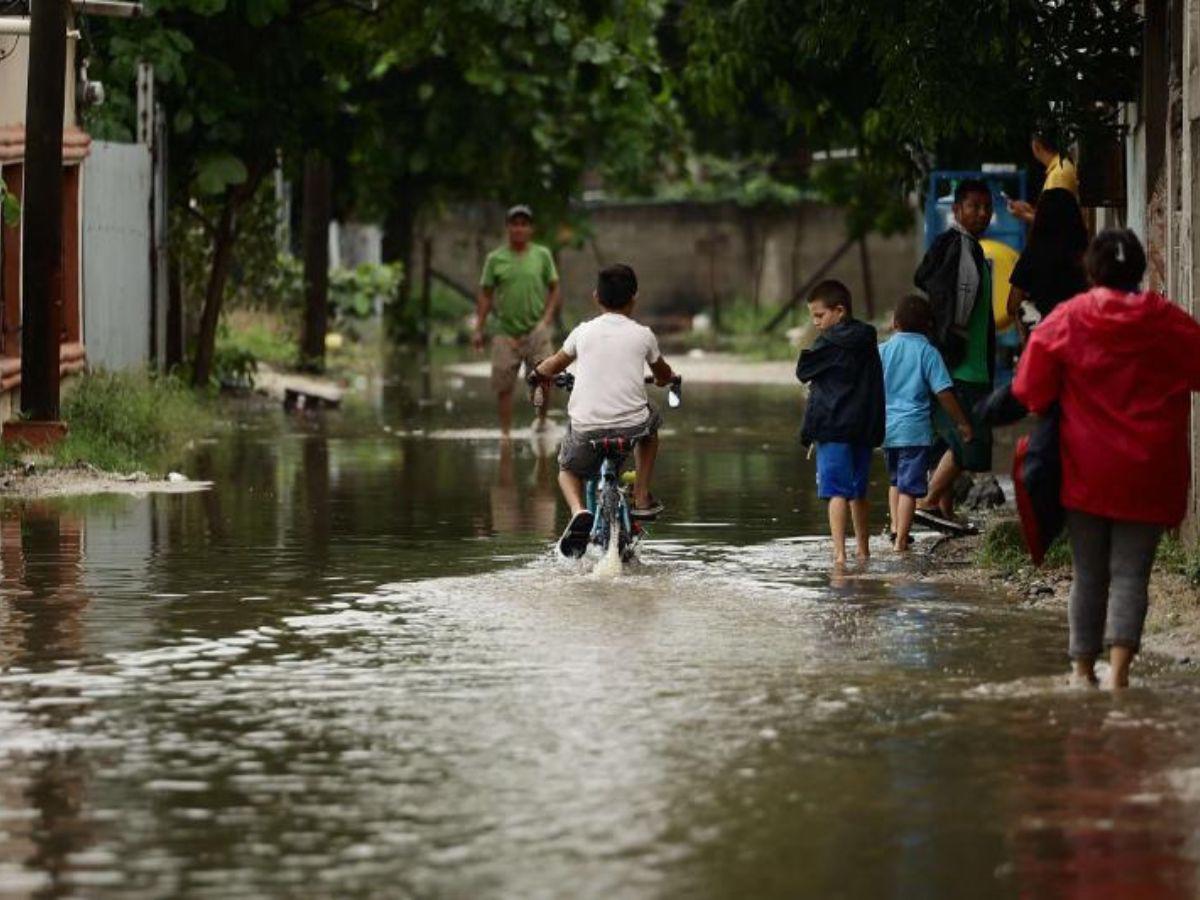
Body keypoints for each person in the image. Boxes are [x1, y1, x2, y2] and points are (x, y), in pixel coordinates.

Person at [1013, 229, 1200, 689]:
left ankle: (1081, 673)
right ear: (1139, 270)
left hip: (1086, 471)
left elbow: (1030, 392)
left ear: (1090, 270)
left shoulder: (1066, 320)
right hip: (1150, 470)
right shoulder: (1168, 320)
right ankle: (1118, 675)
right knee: (1132, 574)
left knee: (1089, 573)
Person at [528, 264, 676, 558]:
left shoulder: (582, 332)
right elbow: (662, 372)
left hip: (588, 430)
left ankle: (578, 511)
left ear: (596, 297)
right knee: (653, 419)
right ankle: (643, 495)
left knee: (567, 470)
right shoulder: (644, 335)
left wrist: (537, 374)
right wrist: (665, 379)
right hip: (631, 427)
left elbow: (555, 364)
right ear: (635, 298)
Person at [913, 179, 996, 531]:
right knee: (971, 441)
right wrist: (949, 339)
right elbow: (940, 292)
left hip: (970, 361)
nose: (982, 213)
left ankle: (943, 514)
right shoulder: (958, 247)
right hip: (963, 365)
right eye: (974, 206)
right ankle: (928, 502)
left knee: (950, 439)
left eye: (987, 207)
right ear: (958, 210)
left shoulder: (969, 248)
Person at [796, 279, 885, 567]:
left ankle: (839, 556)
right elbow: (875, 386)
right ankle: (863, 551)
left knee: (835, 493)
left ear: (839, 311)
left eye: (820, 315)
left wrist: (810, 430)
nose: (816, 322)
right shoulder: (869, 340)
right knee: (858, 492)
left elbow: (803, 371)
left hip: (832, 428)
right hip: (862, 428)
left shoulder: (827, 344)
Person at [879, 295, 973, 552]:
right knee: (910, 488)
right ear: (928, 326)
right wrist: (962, 423)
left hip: (887, 429)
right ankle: (900, 542)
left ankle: (896, 528)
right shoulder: (928, 352)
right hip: (915, 431)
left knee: (895, 482)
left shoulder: (882, 350)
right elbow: (943, 392)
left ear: (895, 323)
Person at [473, 205, 562, 436]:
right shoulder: (495, 259)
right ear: (508, 228)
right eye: (515, 224)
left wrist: (546, 319)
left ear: (530, 229)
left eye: (524, 224)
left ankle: (542, 422)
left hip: (537, 329)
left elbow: (554, 288)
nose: (519, 228)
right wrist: (479, 328)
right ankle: (505, 435)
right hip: (505, 331)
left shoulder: (541, 255)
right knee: (503, 386)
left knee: (544, 378)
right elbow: (485, 294)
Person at [1006, 188, 1089, 340]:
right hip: (1078, 339)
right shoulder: (1085, 254)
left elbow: (1013, 305)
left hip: (1044, 342)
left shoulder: (1032, 254)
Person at [1007, 129, 1080, 223]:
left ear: (1036, 146)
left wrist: (1024, 215)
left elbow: (1055, 222)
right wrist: (1029, 210)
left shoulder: (1058, 174)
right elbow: (1052, 215)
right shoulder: (1060, 168)